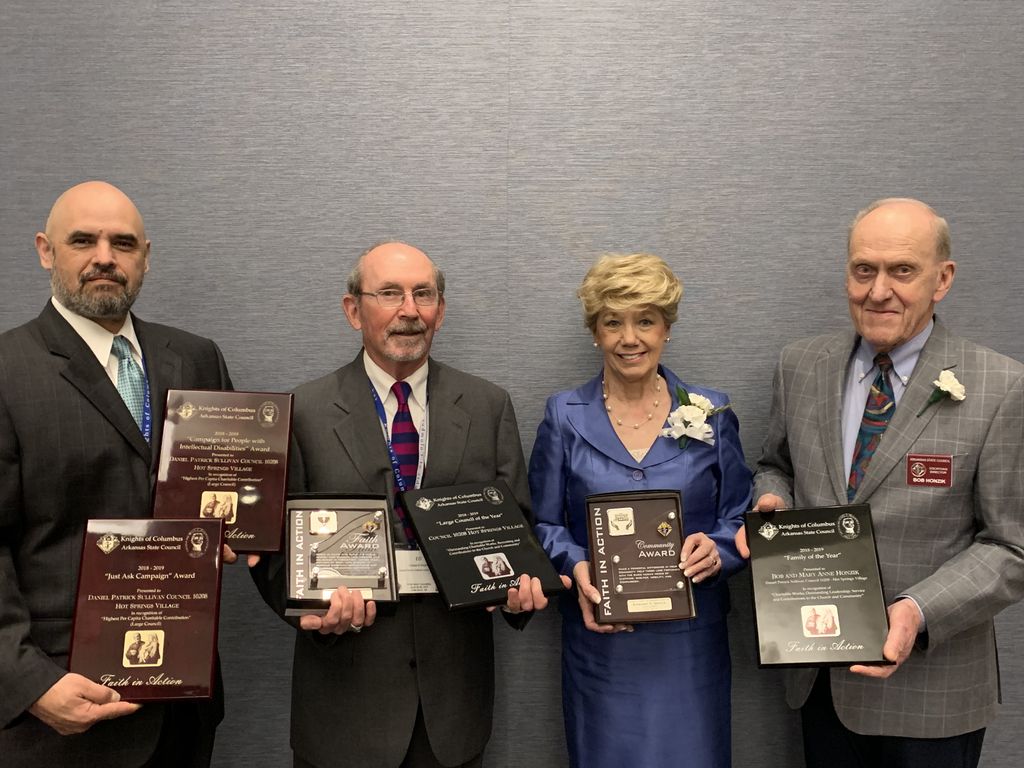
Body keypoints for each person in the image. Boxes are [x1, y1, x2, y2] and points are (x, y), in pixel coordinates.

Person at [251, 241, 566, 768]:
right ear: (353, 310)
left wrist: (515, 592)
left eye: (423, 294)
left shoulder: (488, 405)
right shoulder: (300, 411)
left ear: (440, 310)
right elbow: (274, 550)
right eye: (390, 293)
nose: (409, 310)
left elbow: (518, 531)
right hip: (344, 699)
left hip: (453, 707)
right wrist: (313, 611)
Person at [748, 198, 1024, 768]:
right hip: (819, 676)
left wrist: (917, 611)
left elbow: (1012, 545)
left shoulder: (1001, 387)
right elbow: (776, 463)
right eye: (863, 269)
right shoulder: (799, 366)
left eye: (902, 270)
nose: (878, 291)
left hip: (933, 692)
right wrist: (771, 502)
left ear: (942, 279)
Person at [0, 181, 233, 767]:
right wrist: (27, 682)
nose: (105, 256)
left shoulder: (196, 356)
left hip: (184, 707)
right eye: (83, 240)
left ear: (145, 256)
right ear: (45, 250)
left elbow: (234, 489)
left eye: (123, 243)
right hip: (59, 710)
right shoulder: (7, 370)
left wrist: (293, 573)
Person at [529, 253, 752, 768]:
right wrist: (574, 566)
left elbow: (740, 518)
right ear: (595, 332)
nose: (630, 338)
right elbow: (541, 524)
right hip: (602, 643)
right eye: (613, 322)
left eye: (645, 320)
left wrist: (717, 551)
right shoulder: (563, 415)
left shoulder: (711, 412)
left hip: (689, 646)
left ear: (666, 328)